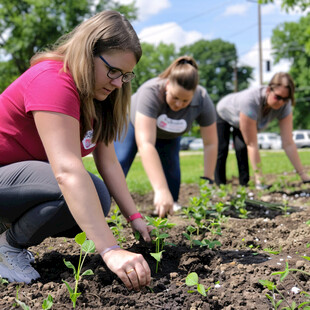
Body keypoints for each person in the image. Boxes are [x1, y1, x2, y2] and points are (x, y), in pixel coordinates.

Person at [0, 10, 153, 290]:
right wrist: (110, 250)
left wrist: (135, 218)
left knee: (98, 196)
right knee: (74, 188)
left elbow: (108, 162)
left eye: (126, 75)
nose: (119, 83)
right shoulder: (53, 81)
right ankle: (6, 248)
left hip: (14, 186)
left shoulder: (97, 97)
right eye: (113, 71)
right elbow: (67, 171)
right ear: (87, 53)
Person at [114, 56, 218, 218]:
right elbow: (146, 143)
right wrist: (160, 190)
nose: (178, 105)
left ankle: (169, 205)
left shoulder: (203, 100)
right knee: (121, 161)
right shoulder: (151, 91)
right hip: (133, 124)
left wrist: (208, 180)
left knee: (172, 169)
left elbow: (210, 143)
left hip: (169, 134)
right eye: (175, 97)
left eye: (185, 101)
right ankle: (103, 204)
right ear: (168, 85)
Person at [215, 72, 310, 188]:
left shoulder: (285, 106)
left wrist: (303, 175)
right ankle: (219, 184)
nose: (281, 102)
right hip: (225, 112)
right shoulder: (251, 101)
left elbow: (288, 143)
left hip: (243, 117)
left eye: (285, 99)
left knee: (241, 148)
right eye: (278, 97)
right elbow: (252, 144)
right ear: (269, 90)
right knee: (222, 148)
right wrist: (260, 179)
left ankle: (244, 184)